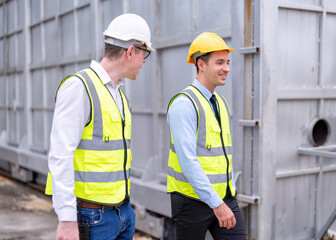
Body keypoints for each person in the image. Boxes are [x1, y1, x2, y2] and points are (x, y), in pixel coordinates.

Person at [45, 13, 155, 240]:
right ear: (131, 51)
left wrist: (127, 212)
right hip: (92, 217)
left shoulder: (119, 95)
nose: (145, 61)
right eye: (145, 54)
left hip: (122, 212)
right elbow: (60, 155)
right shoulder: (80, 87)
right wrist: (67, 219)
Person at [166, 32, 246, 240]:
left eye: (227, 62)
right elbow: (187, 161)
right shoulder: (184, 105)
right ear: (201, 64)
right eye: (220, 62)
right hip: (191, 202)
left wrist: (227, 195)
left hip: (224, 197)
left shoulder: (219, 102)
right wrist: (216, 204)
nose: (227, 68)